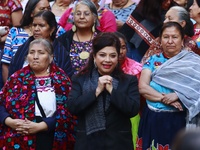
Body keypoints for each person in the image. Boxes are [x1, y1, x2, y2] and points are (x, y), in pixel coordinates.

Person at [67, 32, 140, 150]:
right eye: (102, 55)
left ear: (117, 58)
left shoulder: (128, 80)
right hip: (88, 143)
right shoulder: (80, 79)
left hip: (119, 144)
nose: (107, 60)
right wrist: (96, 91)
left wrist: (112, 91)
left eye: (112, 55)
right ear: (94, 56)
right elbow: (73, 107)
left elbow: (133, 109)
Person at [0, 38, 76, 149]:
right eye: (32, 52)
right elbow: (1, 103)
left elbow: (69, 111)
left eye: (41, 53)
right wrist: (9, 121)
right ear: (27, 57)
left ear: (51, 58)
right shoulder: (16, 78)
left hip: (50, 135)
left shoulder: (61, 79)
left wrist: (43, 125)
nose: (35, 56)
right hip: (19, 135)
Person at [137, 22, 200, 150]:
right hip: (153, 118)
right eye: (166, 37)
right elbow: (143, 87)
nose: (170, 41)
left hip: (179, 119)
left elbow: (197, 90)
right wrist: (165, 99)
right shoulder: (152, 60)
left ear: (182, 40)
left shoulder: (193, 62)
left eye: (175, 37)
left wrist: (178, 95)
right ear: (160, 41)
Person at [8, 10, 73, 78]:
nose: (36, 29)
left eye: (41, 26)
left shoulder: (60, 52)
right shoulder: (23, 48)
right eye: (34, 25)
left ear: (52, 29)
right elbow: (13, 73)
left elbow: (66, 77)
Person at [1, 0, 51, 84]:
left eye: (48, 8)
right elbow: (6, 63)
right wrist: (9, 89)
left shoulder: (57, 31)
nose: (46, 12)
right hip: (18, 85)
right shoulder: (15, 32)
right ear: (31, 13)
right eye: (42, 9)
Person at [115, 31, 142, 150]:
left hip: (133, 116)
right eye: (116, 48)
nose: (120, 52)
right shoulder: (99, 69)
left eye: (123, 47)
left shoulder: (136, 69)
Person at [58, 0, 100, 75]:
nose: (82, 17)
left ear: (94, 18)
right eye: (78, 14)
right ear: (73, 17)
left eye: (86, 14)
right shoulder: (63, 40)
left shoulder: (102, 39)